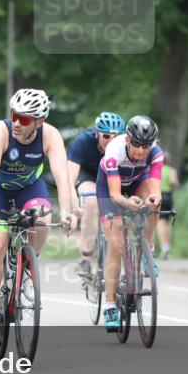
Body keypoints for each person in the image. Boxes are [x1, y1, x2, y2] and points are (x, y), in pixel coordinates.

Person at [0, 88, 74, 343]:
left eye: (26, 119)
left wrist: (68, 213)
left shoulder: (50, 136)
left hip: (28, 188)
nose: (18, 123)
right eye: (15, 116)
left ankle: (28, 263)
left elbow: (63, 178)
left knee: (42, 218)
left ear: (39, 121)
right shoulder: (1, 131)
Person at [97, 115, 164, 332]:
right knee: (116, 244)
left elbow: (154, 187)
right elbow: (116, 195)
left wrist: (152, 199)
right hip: (110, 190)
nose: (141, 150)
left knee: (155, 203)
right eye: (136, 144)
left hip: (137, 182)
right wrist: (128, 203)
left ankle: (148, 248)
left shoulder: (155, 153)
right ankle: (109, 305)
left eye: (146, 145)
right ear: (127, 139)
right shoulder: (114, 151)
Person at [66, 112, 125, 278]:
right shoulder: (83, 142)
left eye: (116, 137)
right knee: (92, 202)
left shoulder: (125, 145)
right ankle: (85, 258)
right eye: (106, 136)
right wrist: (75, 203)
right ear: (97, 133)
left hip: (112, 176)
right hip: (87, 175)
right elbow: (69, 178)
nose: (111, 141)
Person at [158, 152, 180, 259]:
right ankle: (167, 246)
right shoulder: (171, 170)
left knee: (160, 223)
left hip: (160, 196)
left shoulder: (157, 170)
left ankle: (164, 247)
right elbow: (174, 182)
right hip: (169, 196)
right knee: (167, 222)